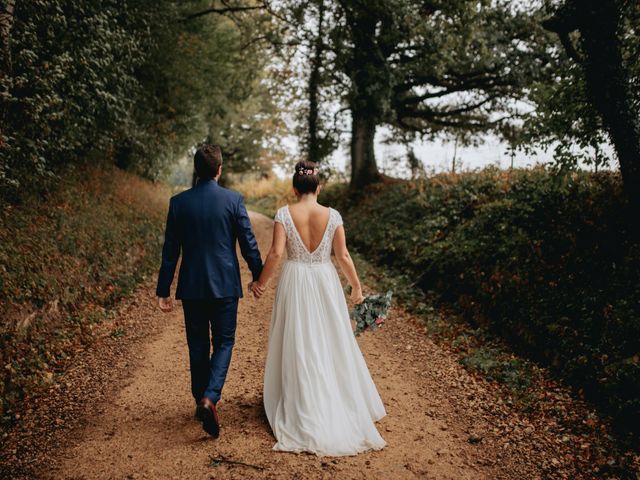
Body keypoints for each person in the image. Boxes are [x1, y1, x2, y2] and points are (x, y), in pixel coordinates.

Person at [250, 160, 386, 456]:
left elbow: (275, 253)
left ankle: (301, 398)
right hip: (325, 279)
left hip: (295, 278)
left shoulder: (284, 213)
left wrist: (260, 281)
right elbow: (344, 255)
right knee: (329, 338)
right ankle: (335, 397)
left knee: (299, 338)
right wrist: (357, 286)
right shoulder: (333, 215)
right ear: (318, 187)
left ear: (294, 188)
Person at [156, 144, 262, 438]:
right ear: (219, 169)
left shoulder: (178, 203)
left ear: (196, 170)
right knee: (225, 342)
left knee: (198, 345)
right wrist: (258, 275)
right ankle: (209, 398)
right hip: (225, 285)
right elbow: (248, 242)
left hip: (192, 286)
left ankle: (199, 399)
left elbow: (170, 251)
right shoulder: (233, 200)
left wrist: (163, 289)